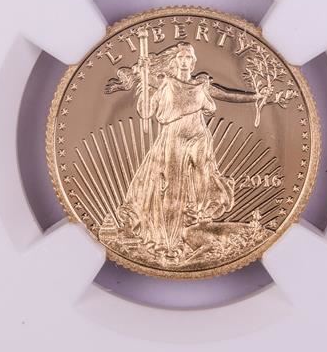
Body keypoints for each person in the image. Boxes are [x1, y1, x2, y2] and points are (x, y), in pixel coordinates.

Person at [104, 42, 290, 263]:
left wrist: (256, 96)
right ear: (174, 61)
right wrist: (143, 80)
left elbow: (227, 94)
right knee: (170, 185)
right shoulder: (164, 83)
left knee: (203, 177)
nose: (185, 61)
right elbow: (145, 113)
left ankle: (198, 217)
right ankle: (170, 237)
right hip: (173, 137)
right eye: (181, 57)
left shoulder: (201, 85)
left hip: (199, 136)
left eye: (189, 57)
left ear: (193, 62)